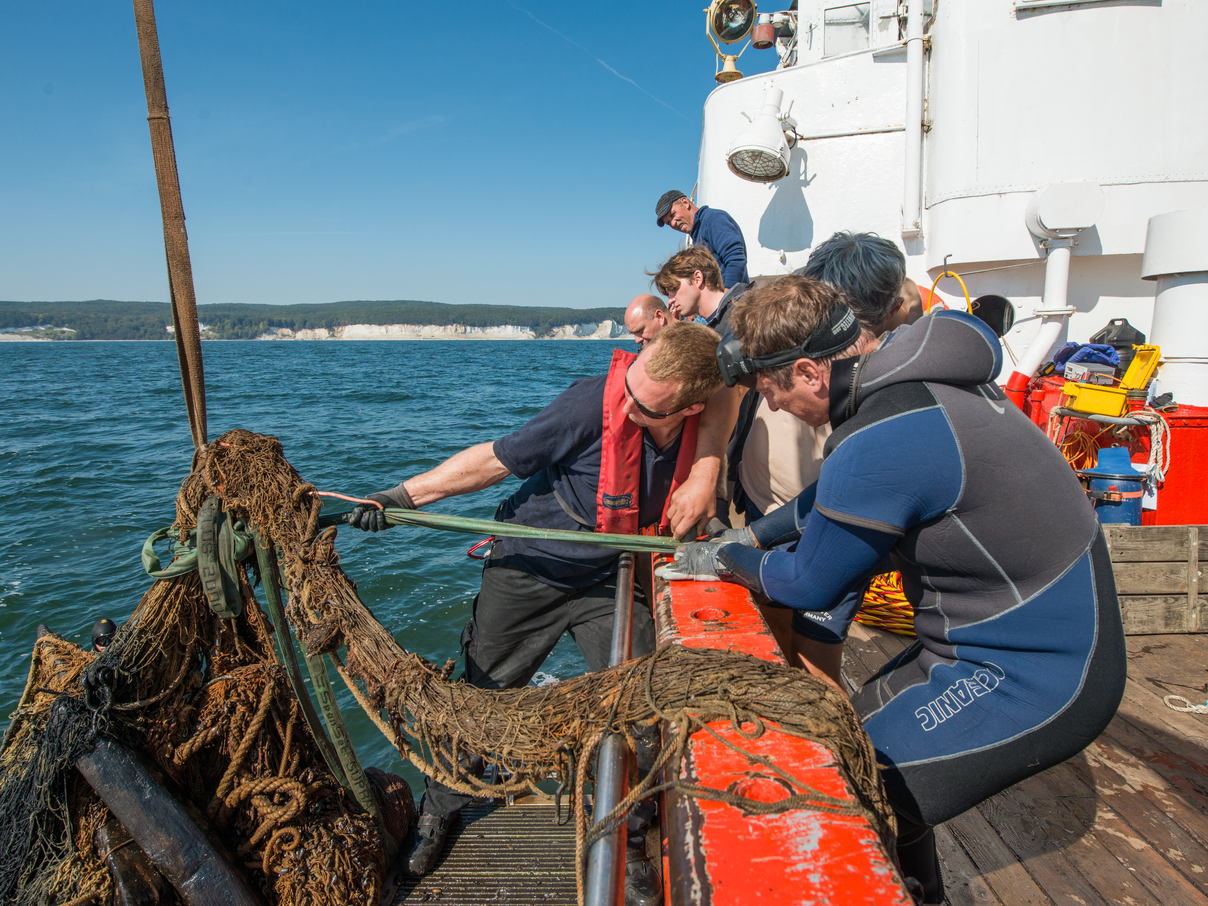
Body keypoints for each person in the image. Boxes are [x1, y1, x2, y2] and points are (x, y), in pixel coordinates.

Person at [659, 275, 1127, 904]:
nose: (770, 407)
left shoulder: (880, 435)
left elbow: (808, 581)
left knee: (849, 784)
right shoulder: (911, 387)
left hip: (1038, 673)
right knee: (842, 743)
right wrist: (751, 540)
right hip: (990, 643)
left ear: (807, 372)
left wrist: (727, 560)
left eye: (769, 392)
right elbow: (823, 503)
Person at [349, 320, 723, 906]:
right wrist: (400, 497)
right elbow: (494, 461)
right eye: (629, 388)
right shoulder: (588, 404)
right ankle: (438, 813)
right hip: (530, 568)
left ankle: (628, 835)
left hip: (608, 576)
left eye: (644, 407)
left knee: (644, 706)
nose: (625, 407)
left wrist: (707, 470)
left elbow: (739, 390)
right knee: (481, 696)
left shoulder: (709, 420)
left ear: (691, 407)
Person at [655, 190, 749, 288]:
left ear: (685, 202)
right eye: (669, 222)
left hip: (734, 300)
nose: (673, 223)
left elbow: (735, 259)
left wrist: (727, 295)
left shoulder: (713, 220)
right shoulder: (697, 234)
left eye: (673, 215)